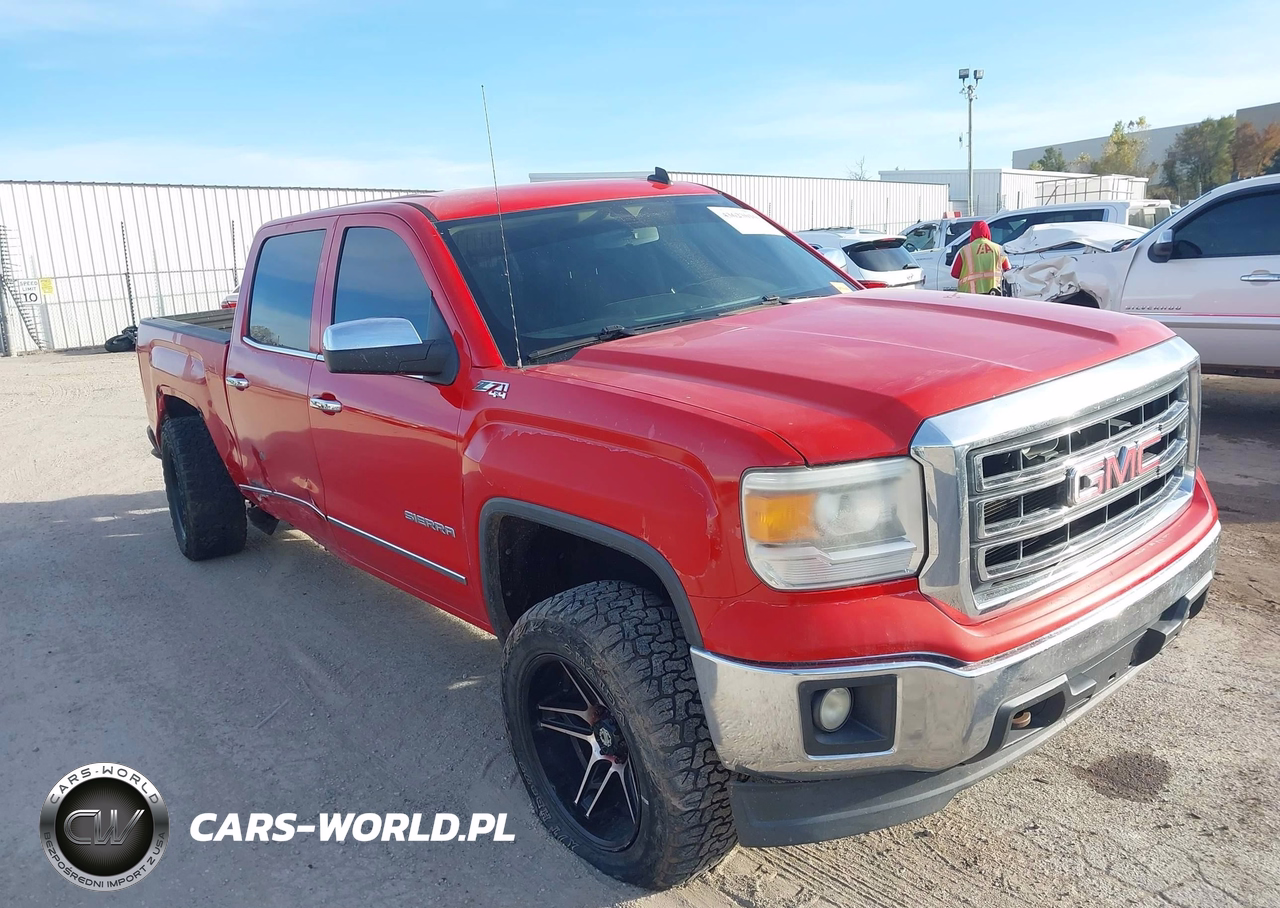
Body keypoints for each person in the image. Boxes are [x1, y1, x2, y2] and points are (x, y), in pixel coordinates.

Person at [950, 220, 1010, 294]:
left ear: (972, 233)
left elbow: (954, 273)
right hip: (994, 293)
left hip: (970, 296)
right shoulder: (999, 249)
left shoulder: (965, 250)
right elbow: (1008, 270)